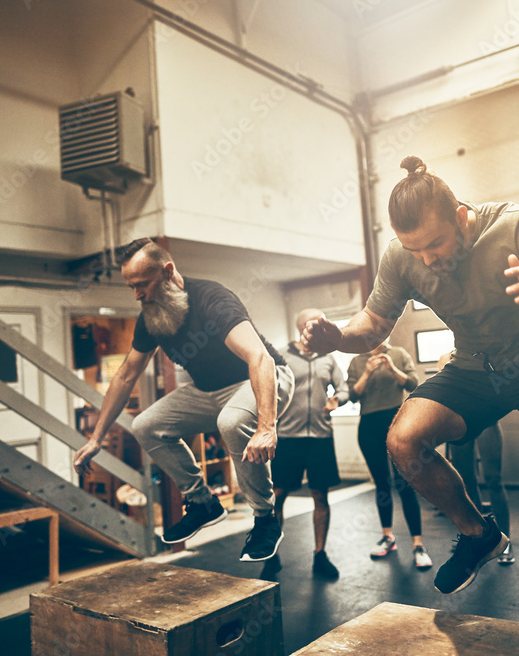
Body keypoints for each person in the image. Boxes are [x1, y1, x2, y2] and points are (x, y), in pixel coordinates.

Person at [302, 156, 519, 611]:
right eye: (415, 250)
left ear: (462, 217)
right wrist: (338, 336)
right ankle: (478, 534)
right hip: (474, 365)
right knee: (404, 440)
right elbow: (372, 323)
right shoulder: (402, 257)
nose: (427, 259)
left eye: (435, 243)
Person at [73, 238, 293, 562]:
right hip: (209, 391)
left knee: (231, 421)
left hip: (263, 378)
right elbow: (125, 375)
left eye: (142, 284)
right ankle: (202, 502)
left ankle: (265, 519)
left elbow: (259, 357)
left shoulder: (212, 299)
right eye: (130, 287)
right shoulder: (151, 317)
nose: (137, 294)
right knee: (145, 424)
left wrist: (266, 427)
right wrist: (96, 438)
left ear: (168, 271)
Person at [267, 308, 350, 580]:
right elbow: (265, 390)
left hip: (320, 438)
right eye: (315, 326)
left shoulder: (328, 358)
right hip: (288, 437)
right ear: (302, 328)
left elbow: (343, 388)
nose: (321, 330)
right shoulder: (279, 356)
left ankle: (320, 555)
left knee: (320, 496)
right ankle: (272, 554)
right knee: (277, 496)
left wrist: (338, 399)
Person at [348, 340, 433, 571]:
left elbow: (413, 383)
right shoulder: (357, 361)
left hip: (396, 422)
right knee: (381, 485)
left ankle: (418, 545)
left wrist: (391, 367)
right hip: (368, 425)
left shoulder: (398, 353)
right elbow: (353, 396)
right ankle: (388, 537)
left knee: (404, 482)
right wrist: (367, 372)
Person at [438, 351, 514, 565]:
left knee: (494, 480)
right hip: (459, 423)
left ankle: (505, 542)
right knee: (464, 481)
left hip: (487, 421)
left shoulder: (486, 354)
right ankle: (480, 538)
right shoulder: (446, 358)